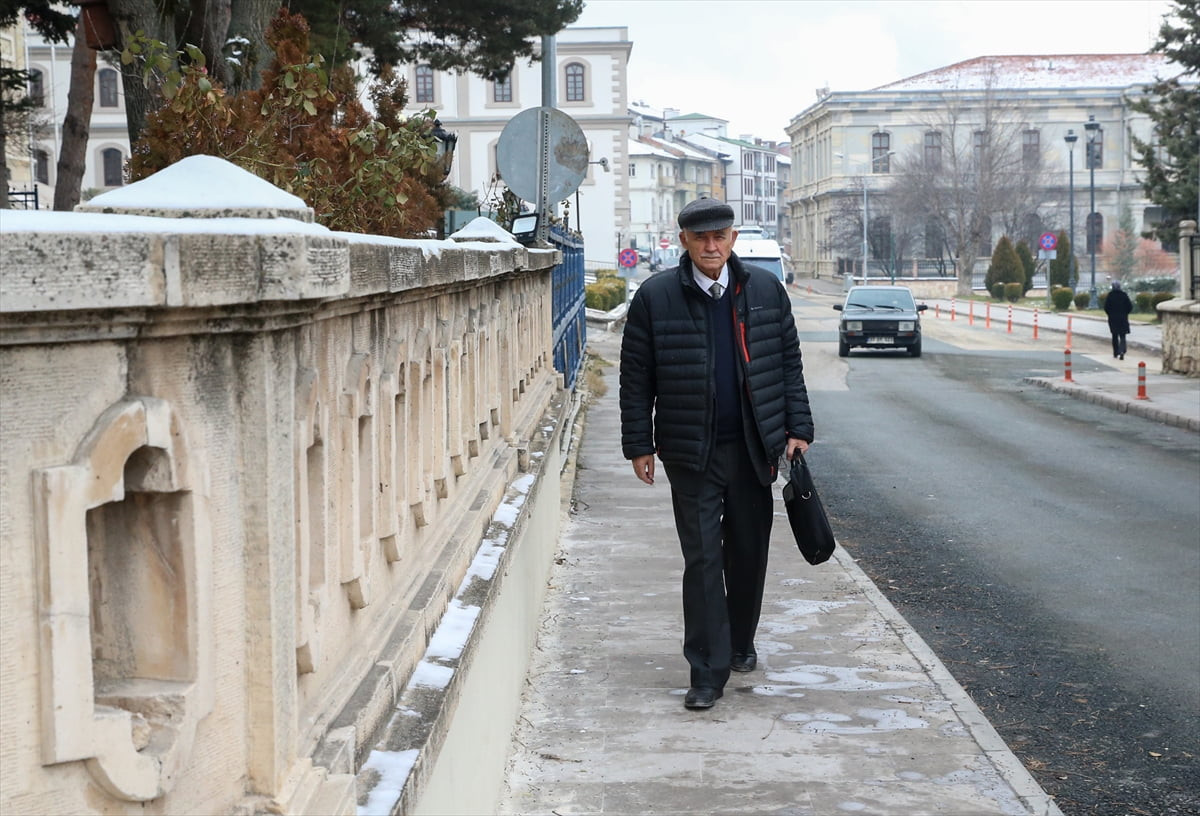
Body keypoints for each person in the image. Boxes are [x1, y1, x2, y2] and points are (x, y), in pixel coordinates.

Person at [619, 197, 814, 710]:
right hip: (691, 451)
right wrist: (639, 443)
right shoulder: (655, 297)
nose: (711, 246)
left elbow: (788, 362)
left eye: (719, 236)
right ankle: (706, 671)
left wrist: (798, 427)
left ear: (732, 239)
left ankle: (740, 641)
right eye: (700, 237)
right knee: (703, 559)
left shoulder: (765, 290)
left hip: (754, 448)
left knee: (748, 554)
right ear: (683, 239)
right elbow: (636, 377)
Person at [1104, 280, 1133, 360]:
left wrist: (1110, 314)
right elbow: (1130, 307)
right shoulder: (1124, 295)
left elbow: (1106, 307)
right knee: (1123, 335)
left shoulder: (1110, 295)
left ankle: (1115, 352)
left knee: (1114, 335)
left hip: (1113, 318)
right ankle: (1122, 350)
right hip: (1123, 318)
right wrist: (1125, 313)